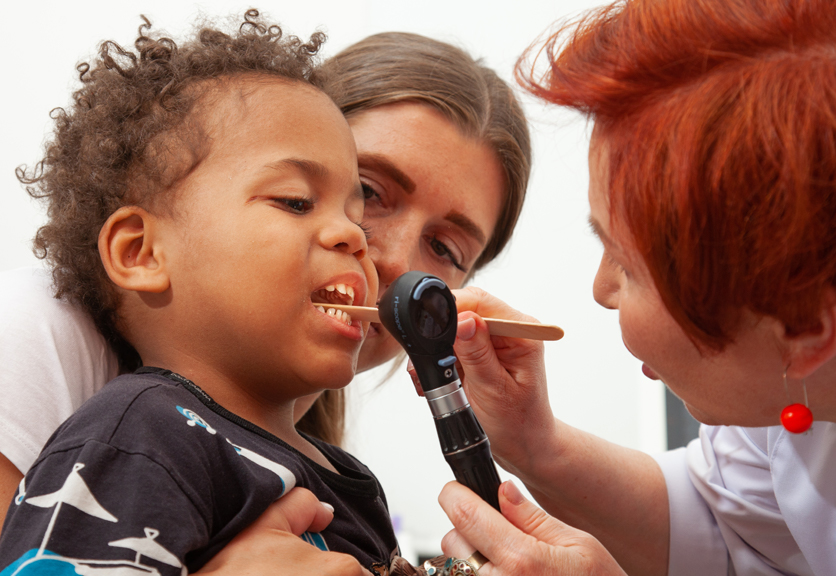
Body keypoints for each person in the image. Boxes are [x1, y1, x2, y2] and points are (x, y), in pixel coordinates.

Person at [0, 13, 530, 573]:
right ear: (142, 253)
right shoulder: (140, 435)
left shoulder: (346, 479)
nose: (370, 246)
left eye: (445, 248)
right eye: (297, 200)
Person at [434, 0, 836, 575]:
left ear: (801, 327)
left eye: (626, 264)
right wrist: (532, 441)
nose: (602, 289)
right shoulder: (788, 400)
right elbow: (724, 526)